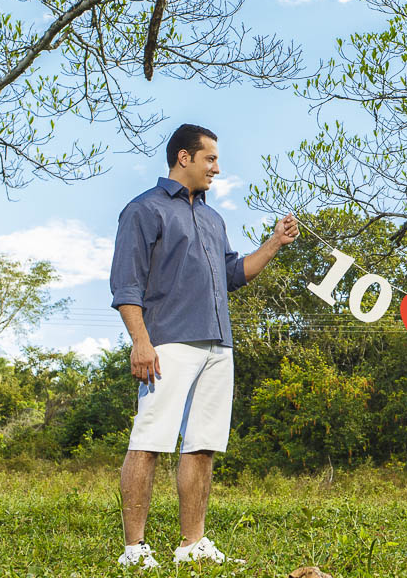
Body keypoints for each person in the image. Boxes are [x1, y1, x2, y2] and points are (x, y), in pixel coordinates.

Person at [109, 123, 299, 568]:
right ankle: (133, 550)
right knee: (149, 441)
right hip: (168, 343)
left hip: (219, 345)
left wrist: (274, 243)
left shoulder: (214, 218)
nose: (217, 167)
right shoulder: (143, 210)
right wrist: (141, 342)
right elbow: (126, 284)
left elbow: (234, 274)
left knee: (203, 444)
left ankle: (191, 544)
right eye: (210, 158)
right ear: (184, 158)